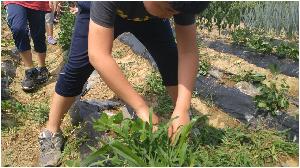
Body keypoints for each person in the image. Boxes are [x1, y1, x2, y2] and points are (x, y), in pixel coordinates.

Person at [38, 1, 209, 166]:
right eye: (167, 9)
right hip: (102, 10)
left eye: (174, 13)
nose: (170, 16)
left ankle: (181, 119)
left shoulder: (181, 3)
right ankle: (51, 132)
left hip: (150, 20)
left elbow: (188, 51)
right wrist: (141, 108)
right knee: (77, 68)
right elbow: (99, 55)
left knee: (171, 63)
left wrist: (183, 107)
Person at [4, 1, 50, 91]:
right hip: (15, 2)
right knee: (18, 29)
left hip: (38, 3)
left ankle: (42, 67)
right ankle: (30, 70)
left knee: (38, 34)